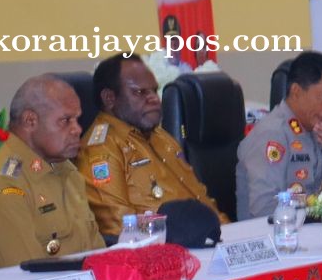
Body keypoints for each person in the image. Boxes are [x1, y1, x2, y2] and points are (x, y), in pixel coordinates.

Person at [0, 75, 106, 270]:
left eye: (77, 120)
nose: (77, 129)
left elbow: (98, 255)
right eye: (65, 121)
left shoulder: (68, 171)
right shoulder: (2, 184)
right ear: (30, 121)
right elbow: (30, 275)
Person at [77, 53, 227, 237]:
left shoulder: (161, 137)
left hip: (207, 237)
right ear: (109, 98)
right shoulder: (100, 151)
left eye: (154, 90)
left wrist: (228, 230)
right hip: (166, 250)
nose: (154, 99)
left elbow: (199, 196)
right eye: (140, 92)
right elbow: (119, 228)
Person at [236, 51, 322, 220]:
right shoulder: (272, 134)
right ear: (296, 91)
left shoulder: (318, 130)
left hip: (312, 232)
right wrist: (313, 201)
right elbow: (264, 206)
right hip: (275, 238)